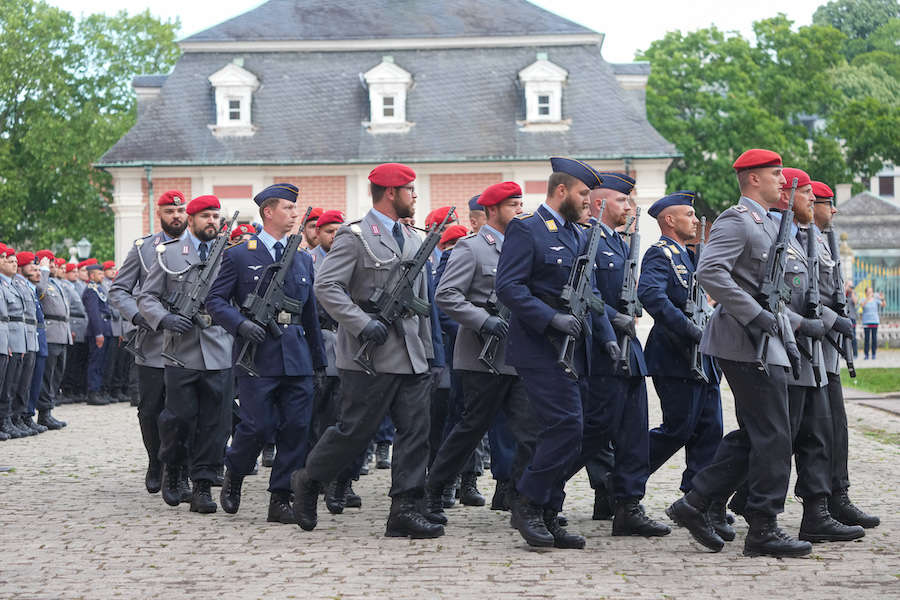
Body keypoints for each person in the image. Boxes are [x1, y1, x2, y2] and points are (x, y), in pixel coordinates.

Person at [666, 149, 811, 558]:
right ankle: (763, 527)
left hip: (766, 340)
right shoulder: (737, 219)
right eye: (775, 174)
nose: (783, 181)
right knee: (774, 436)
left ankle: (694, 504)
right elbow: (710, 271)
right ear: (752, 179)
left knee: (758, 433)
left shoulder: (767, 223)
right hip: (744, 341)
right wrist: (756, 315)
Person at [291, 164, 444, 540]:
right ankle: (309, 481)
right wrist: (360, 323)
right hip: (369, 353)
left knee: (415, 433)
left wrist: (430, 353)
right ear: (391, 193)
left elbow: (422, 300)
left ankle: (405, 509)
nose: (415, 196)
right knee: (353, 432)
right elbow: (326, 287)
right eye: (410, 189)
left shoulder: (412, 237)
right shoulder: (355, 235)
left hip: (411, 353)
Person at [495, 157, 616, 549]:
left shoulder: (579, 236)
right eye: (583, 194)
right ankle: (528, 502)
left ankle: (549, 510)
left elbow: (590, 295)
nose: (588, 202)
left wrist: (608, 334)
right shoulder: (526, 229)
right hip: (539, 347)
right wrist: (550, 319)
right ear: (561, 191)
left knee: (573, 431)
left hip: (576, 349)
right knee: (565, 426)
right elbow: (509, 287)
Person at [208, 183, 326, 525]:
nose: (294, 214)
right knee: (257, 426)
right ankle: (236, 470)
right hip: (257, 354)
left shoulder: (302, 258)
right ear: (268, 212)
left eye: (294, 208)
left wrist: (318, 361)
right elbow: (214, 300)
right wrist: (240, 325)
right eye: (288, 208)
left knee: (296, 428)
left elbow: (310, 315)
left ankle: (281, 498)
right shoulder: (239, 254)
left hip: (297, 355)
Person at [426, 181, 542, 527]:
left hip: (519, 355)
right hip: (481, 355)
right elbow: (447, 295)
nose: (520, 210)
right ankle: (434, 490)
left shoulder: (527, 247)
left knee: (528, 430)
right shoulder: (472, 248)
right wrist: (484, 321)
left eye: (521, 204)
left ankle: (522, 499)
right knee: (470, 428)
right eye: (512, 206)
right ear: (491, 211)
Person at [579, 172, 670, 537]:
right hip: (601, 351)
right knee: (593, 431)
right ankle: (538, 490)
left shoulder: (619, 243)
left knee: (635, 433)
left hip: (628, 350)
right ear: (600, 203)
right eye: (622, 200)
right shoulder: (588, 241)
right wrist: (610, 322)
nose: (630, 207)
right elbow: (586, 295)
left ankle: (628, 505)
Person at [638, 191, 726, 538]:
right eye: (688, 214)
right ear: (669, 220)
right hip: (674, 354)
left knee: (709, 430)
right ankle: (623, 478)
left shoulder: (690, 258)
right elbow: (652, 295)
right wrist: (687, 329)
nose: (694, 220)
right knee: (678, 429)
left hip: (702, 355)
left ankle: (698, 501)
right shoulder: (660, 254)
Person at [139, 195, 234, 513]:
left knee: (214, 423)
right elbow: (148, 297)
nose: (212, 221)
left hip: (218, 347)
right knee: (178, 418)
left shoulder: (229, 257)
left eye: (216, 216)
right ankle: (174, 469)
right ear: (191, 220)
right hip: (180, 350)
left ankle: (203, 485)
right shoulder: (168, 254)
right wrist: (164, 318)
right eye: (205, 215)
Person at [109, 189, 189, 495]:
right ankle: (156, 462)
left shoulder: (198, 247)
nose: (177, 216)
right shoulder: (144, 249)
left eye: (181, 210)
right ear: (160, 214)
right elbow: (119, 290)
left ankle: (180, 468)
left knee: (186, 408)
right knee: (151, 409)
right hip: (153, 342)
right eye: (170, 211)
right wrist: (139, 316)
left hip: (189, 340)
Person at [810, 181, 880, 529]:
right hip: (803, 349)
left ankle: (837, 497)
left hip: (826, 352)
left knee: (836, 428)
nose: (832, 210)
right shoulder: (799, 241)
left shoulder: (823, 240)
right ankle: (712, 498)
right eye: (825, 203)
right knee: (793, 433)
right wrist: (832, 318)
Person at [36, 251, 70, 429]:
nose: (53, 265)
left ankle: (49, 408)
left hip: (61, 333)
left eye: (53, 262)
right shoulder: (43, 281)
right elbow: (39, 292)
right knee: (47, 376)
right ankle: (44, 412)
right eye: (49, 262)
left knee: (57, 374)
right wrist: (43, 270)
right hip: (50, 333)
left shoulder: (56, 283)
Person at [0, 245, 30, 438]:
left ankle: (10, 418)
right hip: (6, 333)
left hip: (10, 334)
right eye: (4, 257)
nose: (7, 261)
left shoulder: (11, 284)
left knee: (12, 382)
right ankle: (5, 419)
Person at [81, 259, 112, 406]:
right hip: (97, 330)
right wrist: (99, 333)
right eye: (99, 274)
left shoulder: (99, 289)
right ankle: (92, 392)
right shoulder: (90, 291)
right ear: (91, 276)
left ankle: (98, 390)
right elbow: (93, 313)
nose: (102, 276)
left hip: (106, 328)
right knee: (95, 362)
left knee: (102, 362)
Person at [58, 263, 87, 404]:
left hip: (81, 324)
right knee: (70, 362)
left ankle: (76, 389)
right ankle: (67, 390)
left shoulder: (77, 285)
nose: (75, 274)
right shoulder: (64, 285)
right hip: (72, 324)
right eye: (73, 271)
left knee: (79, 361)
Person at [860, 287, 885, 360]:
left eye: (872, 291)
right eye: (869, 291)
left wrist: (882, 298)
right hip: (866, 322)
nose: (871, 293)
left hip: (874, 321)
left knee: (874, 338)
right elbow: (862, 305)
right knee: (867, 339)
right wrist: (868, 298)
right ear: (866, 292)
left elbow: (883, 304)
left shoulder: (876, 300)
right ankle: (866, 355)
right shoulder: (863, 300)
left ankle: (874, 354)